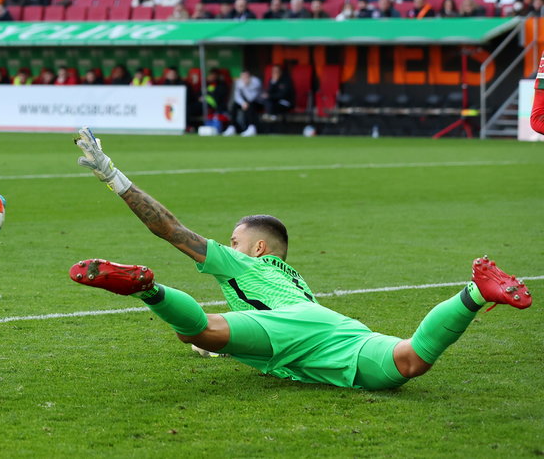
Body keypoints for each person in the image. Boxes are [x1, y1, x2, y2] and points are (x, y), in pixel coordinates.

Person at [67, 127, 532, 390]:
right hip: (335, 330)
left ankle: (148, 289)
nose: (229, 246)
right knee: (406, 362)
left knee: (205, 332)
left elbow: (170, 229)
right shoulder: (290, 278)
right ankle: (474, 292)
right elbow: (261, 320)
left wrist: (115, 179)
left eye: (235, 239)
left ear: (259, 248)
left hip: (291, 330)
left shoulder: (245, 265)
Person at [224, 69, 261, 136]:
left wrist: (246, 86)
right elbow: (237, 96)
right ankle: (232, 127)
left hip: (257, 102)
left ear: (250, 76)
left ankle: (251, 127)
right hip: (244, 103)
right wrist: (242, 103)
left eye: (246, 76)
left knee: (250, 105)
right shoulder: (239, 82)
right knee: (234, 106)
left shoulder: (256, 82)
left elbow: (251, 98)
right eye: (243, 77)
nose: (244, 78)